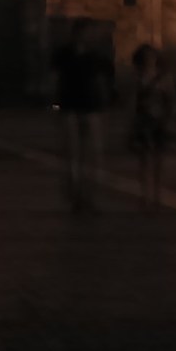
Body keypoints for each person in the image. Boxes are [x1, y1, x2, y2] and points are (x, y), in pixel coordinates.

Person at [51, 21, 113, 212]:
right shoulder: (64, 54)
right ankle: (76, 194)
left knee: (92, 154)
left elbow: (103, 80)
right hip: (71, 106)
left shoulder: (96, 55)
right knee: (73, 154)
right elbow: (55, 77)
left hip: (90, 106)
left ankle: (88, 196)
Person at [128, 44, 176, 211]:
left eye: (152, 56)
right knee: (145, 160)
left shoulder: (164, 77)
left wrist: (171, 118)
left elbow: (171, 99)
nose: (150, 59)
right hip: (144, 121)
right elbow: (133, 101)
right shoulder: (138, 77)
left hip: (160, 121)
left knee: (158, 160)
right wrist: (131, 122)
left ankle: (157, 194)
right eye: (147, 57)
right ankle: (145, 195)